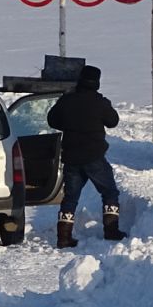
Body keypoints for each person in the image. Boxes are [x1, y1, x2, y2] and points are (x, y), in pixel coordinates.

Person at [46, 64, 124, 249]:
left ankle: (63, 238)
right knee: (109, 192)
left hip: (72, 158)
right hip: (94, 157)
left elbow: (52, 120)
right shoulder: (99, 102)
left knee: (70, 198)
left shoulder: (67, 100)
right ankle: (111, 231)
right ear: (96, 83)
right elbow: (113, 121)